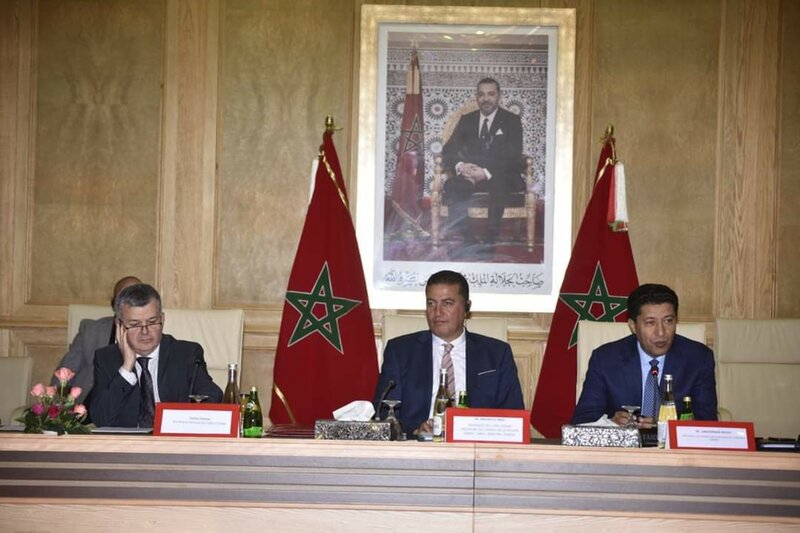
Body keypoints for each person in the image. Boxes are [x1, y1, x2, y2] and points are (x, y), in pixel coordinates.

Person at [373, 270, 524, 437]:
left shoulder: (496, 354)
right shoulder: (400, 351)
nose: (437, 312)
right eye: (431, 303)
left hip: (477, 443)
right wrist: (415, 431)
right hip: (419, 446)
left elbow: (513, 415)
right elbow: (384, 413)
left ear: (467, 307)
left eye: (447, 303)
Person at [571, 284, 718, 427]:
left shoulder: (698, 359)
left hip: (672, 444)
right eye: (650, 323)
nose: (661, 332)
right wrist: (611, 423)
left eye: (668, 321)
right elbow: (583, 420)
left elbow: (707, 422)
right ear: (633, 326)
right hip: (623, 443)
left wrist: (664, 425)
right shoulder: (605, 359)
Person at [90, 283, 222, 427]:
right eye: (135, 324)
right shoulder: (106, 358)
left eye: (152, 322)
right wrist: (126, 369)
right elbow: (100, 418)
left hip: (172, 438)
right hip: (127, 441)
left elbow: (212, 396)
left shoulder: (186, 354)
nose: (145, 331)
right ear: (120, 325)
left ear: (162, 319)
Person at [441, 77, 524, 243]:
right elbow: (448, 150)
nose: (486, 99)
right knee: (451, 185)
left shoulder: (512, 120)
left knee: (498, 185)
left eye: (491, 94)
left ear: (499, 96)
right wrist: (461, 166)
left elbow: (513, 156)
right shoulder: (467, 120)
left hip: (501, 175)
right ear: (477, 97)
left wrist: (485, 172)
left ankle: (490, 241)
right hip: (471, 175)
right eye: (481, 94)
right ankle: (469, 239)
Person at [50, 275, 141, 404]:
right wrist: (55, 407)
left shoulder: (151, 335)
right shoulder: (91, 330)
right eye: (124, 298)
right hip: (90, 404)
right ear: (114, 304)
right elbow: (66, 372)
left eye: (137, 297)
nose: (130, 303)